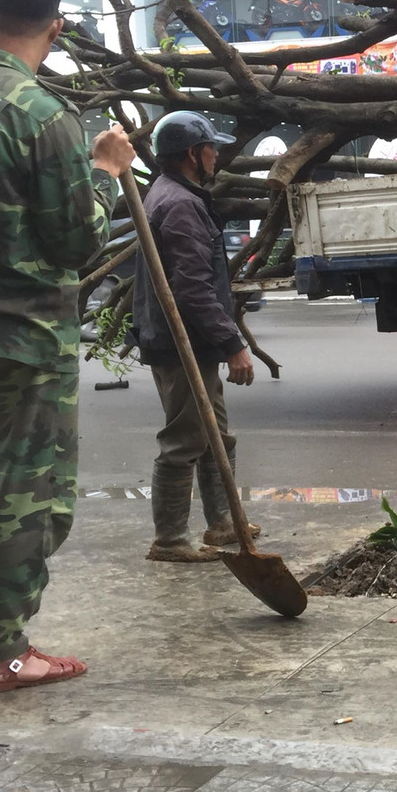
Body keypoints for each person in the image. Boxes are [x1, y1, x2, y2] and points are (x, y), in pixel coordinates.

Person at [0, 0, 134, 695]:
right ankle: (1, 650)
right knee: (27, 495)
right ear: (57, 29)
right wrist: (104, 174)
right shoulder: (47, 119)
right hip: (26, 341)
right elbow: (75, 241)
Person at [128, 110, 259, 563]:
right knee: (186, 440)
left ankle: (223, 522)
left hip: (187, 340)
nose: (217, 155)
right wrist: (233, 344)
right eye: (212, 148)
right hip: (178, 342)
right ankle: (169, 540)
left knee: (215, 436)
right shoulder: (179, 204)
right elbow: (193, 289)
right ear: (192, 154)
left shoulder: (176, 194)